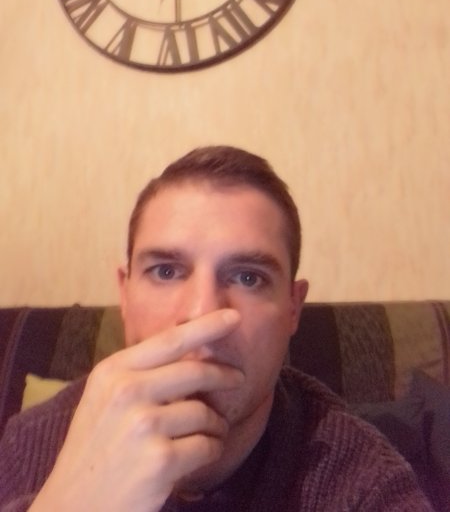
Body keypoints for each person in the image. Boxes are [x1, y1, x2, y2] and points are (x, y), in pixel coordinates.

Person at [0, 146, 432, 512]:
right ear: (125, 295)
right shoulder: (29, 441)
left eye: (248, 277)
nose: (202, 313)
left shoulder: (364, 484)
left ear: (292, 308)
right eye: (166, 271)